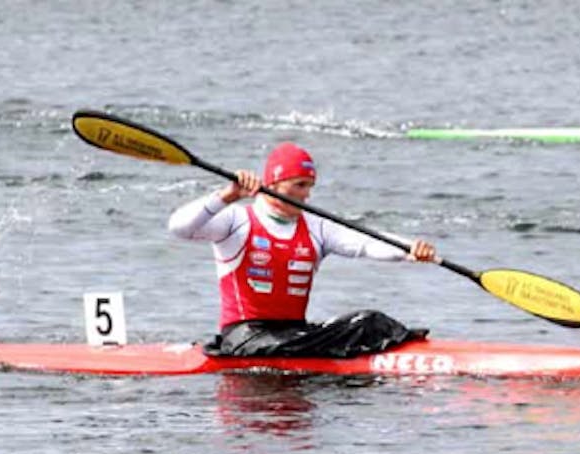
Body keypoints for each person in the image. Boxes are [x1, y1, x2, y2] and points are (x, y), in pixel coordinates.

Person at [168, 142, 438, 358]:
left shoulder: (315, 227)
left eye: (309, 186)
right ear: (273, 183)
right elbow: (179, 227)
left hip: (295, 335)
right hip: (245, 337)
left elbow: (364, 242)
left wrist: (409, 250)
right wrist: (228, 195)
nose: (306, 195)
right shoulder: (237, 221)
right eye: (299, 185)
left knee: (370, 321)